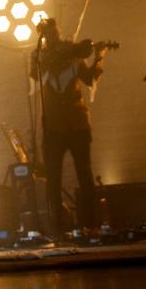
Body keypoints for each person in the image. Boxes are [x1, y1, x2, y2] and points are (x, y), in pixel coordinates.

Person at [30, 18, 105, 235]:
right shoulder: (38, 58)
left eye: (57, 34)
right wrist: (59, 54)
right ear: (44, 38)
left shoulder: (74, 58)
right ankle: (58, 228)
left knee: (85, 174)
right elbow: (34, 74)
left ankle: (91, 225)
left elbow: (90, 79)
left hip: (78, 124)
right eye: (50, 36)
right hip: (52, 128)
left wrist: (99, 57)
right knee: (53, 179)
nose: (56, 39)